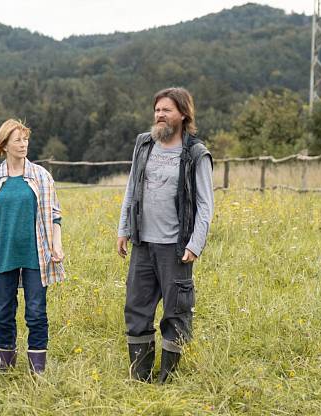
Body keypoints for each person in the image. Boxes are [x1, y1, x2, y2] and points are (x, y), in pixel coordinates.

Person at [116, 87, 213, 383]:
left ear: (183, 114)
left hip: (176, 248)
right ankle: (141, 377)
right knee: (136, 310)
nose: (159, 115)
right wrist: (123, 229)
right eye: (157, 109)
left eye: (166, 110)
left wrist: (195, 244)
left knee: (176, 313)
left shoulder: (196, 153)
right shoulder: (144, 144)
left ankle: (167, 379)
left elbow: (205, 204)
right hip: (143, 244)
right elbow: (132, 189)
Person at [0, 119, 65, 375]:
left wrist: (57, 245)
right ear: (4, 145)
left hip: (36, 254)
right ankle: (5, 367)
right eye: (17, 140)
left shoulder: (41, 176)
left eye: (25, 139)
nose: (23, 144)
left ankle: (37, 371)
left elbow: (55, 215)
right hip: (3, 254)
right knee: (3, 312)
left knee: (36, 312)